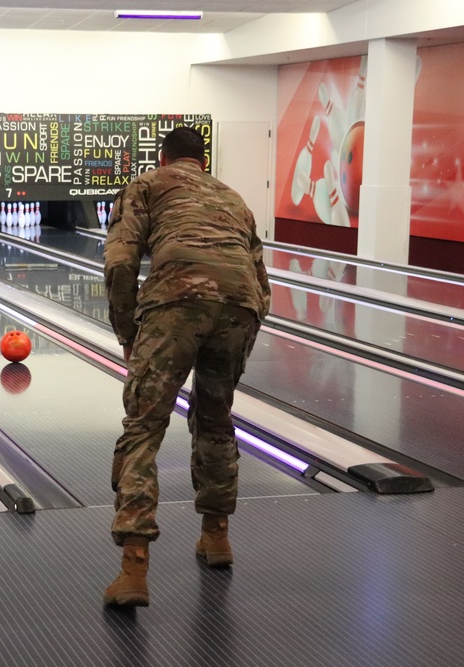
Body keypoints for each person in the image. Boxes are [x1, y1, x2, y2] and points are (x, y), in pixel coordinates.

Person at [102, 126, 271, 607]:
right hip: (242, 306)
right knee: (216, 418)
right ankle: (216, 537)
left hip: (176, 299)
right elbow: (261, 280)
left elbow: (120, 262)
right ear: (203, 159)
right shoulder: (234, 197)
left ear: (163, 157)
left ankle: (134, 570)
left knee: (144, 426)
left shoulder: (146, 185)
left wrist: (128, 333)